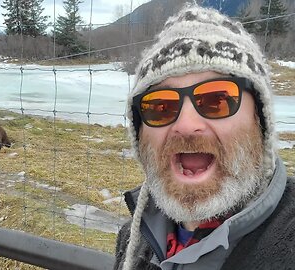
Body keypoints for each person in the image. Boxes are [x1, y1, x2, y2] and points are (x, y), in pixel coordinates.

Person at [114, 4, 294, 270]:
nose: (185, 125)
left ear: (260, 121)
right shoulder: (133, 239)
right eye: (161, 107)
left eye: (217, 100)